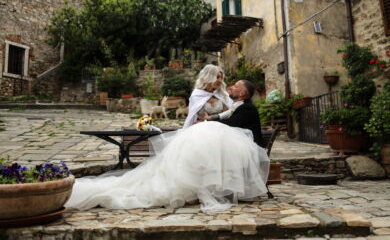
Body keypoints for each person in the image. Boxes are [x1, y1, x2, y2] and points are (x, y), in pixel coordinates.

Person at [65, 65, 270, 212]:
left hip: (219, 133)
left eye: (221, 77)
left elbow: (229, 114)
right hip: (203, 131)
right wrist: (203, 123)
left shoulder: (225, 95)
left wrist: (216, 117)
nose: (220, 81)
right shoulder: (197, 94)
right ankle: (197, 190)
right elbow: (194, 116)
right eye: (217, 77)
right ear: (208, 77)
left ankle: (219, 189)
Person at [205, 80, 263, 147]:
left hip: (248, 147)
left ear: (242, 93)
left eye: (235, 86)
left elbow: (229, 124)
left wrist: (209, 123)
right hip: (240, 143)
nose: (230, 88)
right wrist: (210, 119)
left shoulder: (247, 108)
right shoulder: (241, 106)